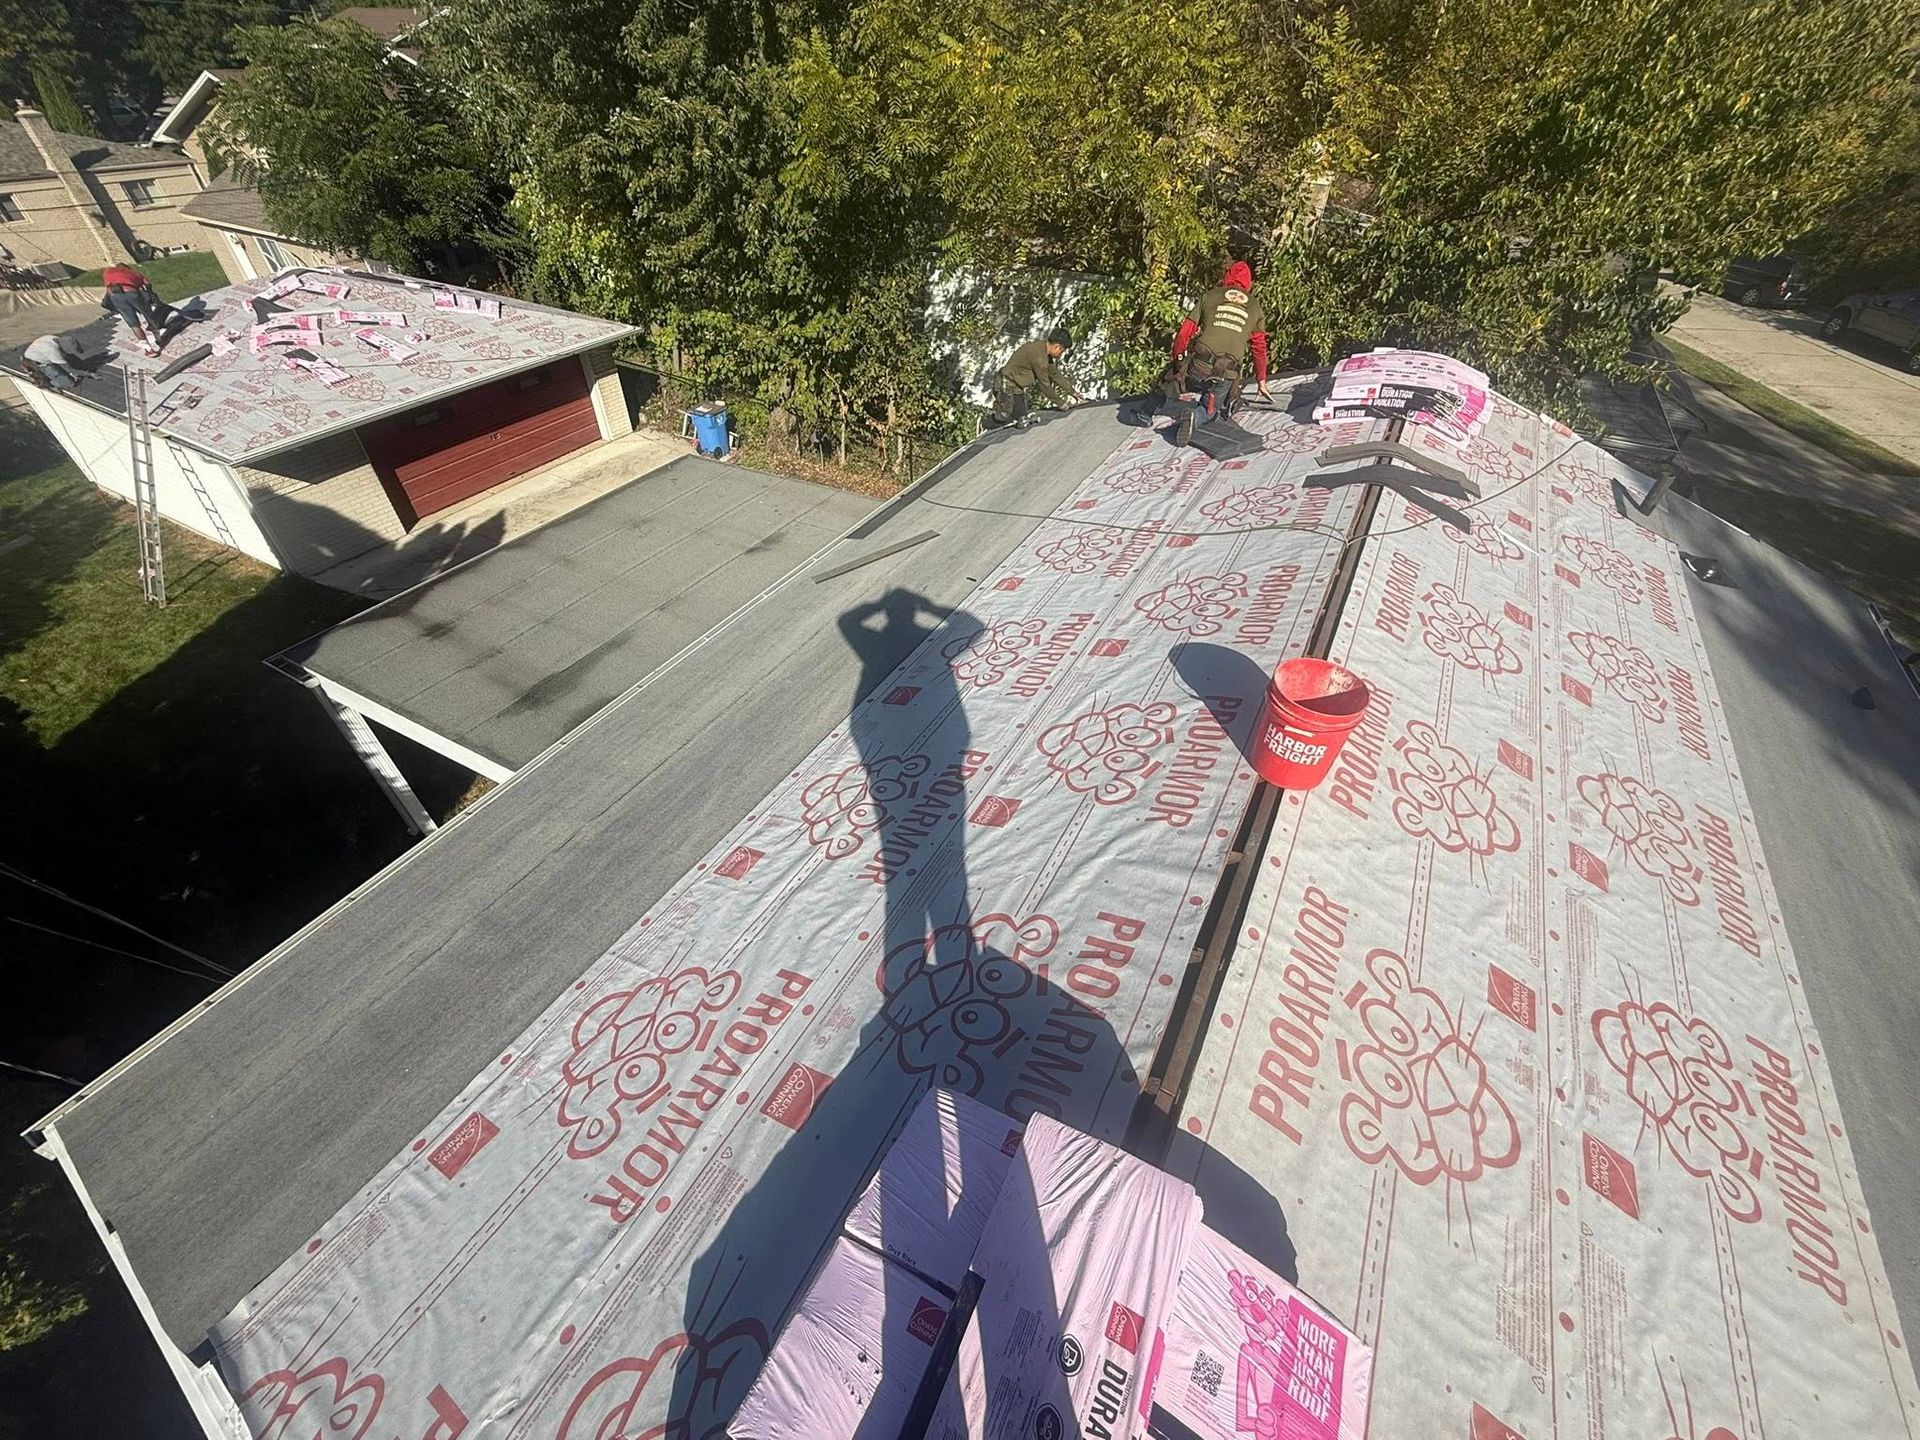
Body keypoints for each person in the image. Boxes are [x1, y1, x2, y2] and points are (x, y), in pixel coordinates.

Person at [1141, 260, 1274, 444]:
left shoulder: (1210, 296)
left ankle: (1144, 414)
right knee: (1212, 410)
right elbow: (1259, 348)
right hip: (1226, 373)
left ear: (1227, 277)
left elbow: (1184, 332)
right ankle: (1198, 415)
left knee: (1169, 380)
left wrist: (1178, 362)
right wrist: (1261, 381)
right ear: (1249, 284)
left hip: (1199, 366)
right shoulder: (1255, 306)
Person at [992, 328, 1081, 428]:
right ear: (1058, 347)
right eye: (1062, 351)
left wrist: (1072, 392)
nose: (1061, 355)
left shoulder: (1042, 349)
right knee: (1004, 419)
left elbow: (1055, 374)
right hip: (1005, 387)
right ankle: (990, 424)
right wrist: (1061, 403)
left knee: (1022, 418)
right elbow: (1044, 384)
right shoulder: (1039, 358)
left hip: (1016, 388)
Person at [99, 263, 173, 356]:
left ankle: (148, 349)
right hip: (131, 293)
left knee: (134, 324)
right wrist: (151, 296)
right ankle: (159, 339)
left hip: (115, 296)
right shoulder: (132, 272)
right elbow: (146, 283)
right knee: (149, 315)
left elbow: (108, 285)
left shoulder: (108, 272)